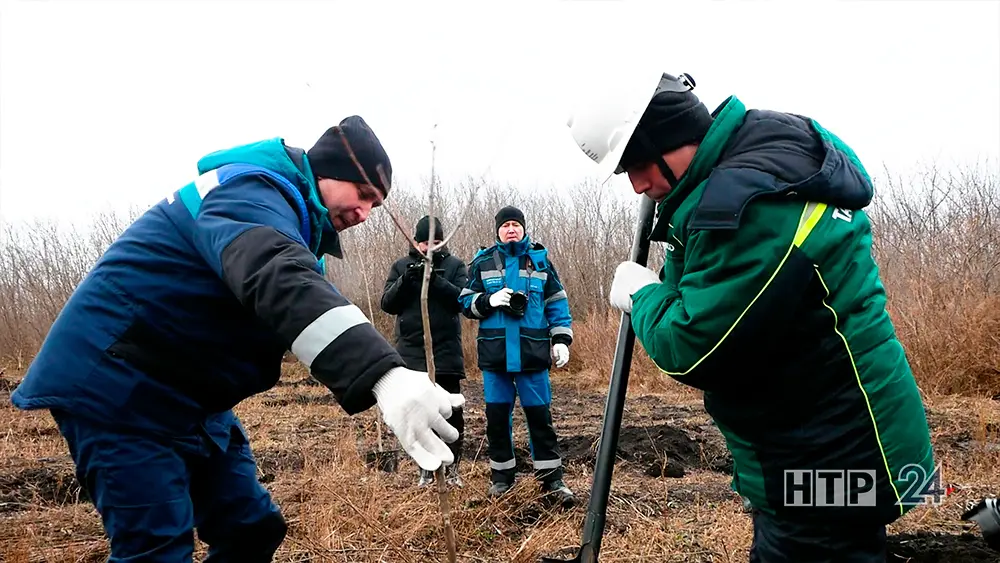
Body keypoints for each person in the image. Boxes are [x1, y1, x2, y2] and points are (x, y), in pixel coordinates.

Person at [10, 116, 464, 562]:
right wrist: (383, 373)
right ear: (325, 172)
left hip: (189, 398)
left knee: (250, 530)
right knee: (155, 547)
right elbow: (274, 273)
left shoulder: (290, 224)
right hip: (118, 386)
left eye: (376, 205)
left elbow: (296, 299)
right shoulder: (246, 191)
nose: (365, 213)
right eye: (363, 194)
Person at [567, 72, 935, 562]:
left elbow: (695, 347)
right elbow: (699, 280)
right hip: (827, 446)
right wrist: (664, 273)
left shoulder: (752, 208)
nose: (637, 184)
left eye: (636, 164)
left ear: (670, 137)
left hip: (836, 462)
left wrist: (646, 298)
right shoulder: (743, 171)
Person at [459, 205, 575, 506]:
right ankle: (502, 479)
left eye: (515, 224)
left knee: (540, 419)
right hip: (495, 358)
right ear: (497, 231)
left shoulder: (540, 262)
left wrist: (561, 340)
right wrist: (488, 300)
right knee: (496, 420)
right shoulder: (482, 263)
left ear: (523, 229)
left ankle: (552, 480)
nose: (511, 229)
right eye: (505, 225)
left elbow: (557, 304)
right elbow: (465, 302)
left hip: (533, 356)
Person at [380, 214, 469, 488]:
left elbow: (463, 300)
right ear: (416, 243)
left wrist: (437, 281)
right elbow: (387, 303)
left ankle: (452, 469)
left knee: (451, 411)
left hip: (445, 355)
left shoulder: (455, 266)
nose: (430, 247)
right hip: (411, 355)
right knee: (419, 413)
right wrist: (407, 280)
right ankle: (426, 470)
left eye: (436, 242)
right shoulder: (401, 267)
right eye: (424, 242)